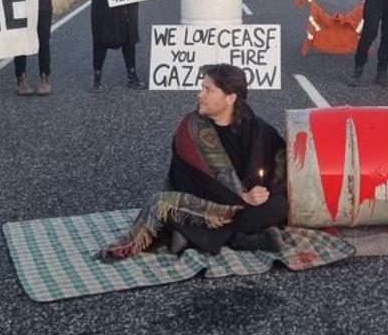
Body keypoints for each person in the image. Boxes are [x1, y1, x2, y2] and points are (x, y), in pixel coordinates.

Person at [98, 64, 288, 260]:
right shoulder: (190, 129)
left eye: (208, 90)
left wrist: (261, 192)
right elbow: (190, 184)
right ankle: (235, 236)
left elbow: (280, 160)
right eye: (201, 88)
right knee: (161, 205)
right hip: (202, 204)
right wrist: (242, 198)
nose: (200, 95)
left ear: (230, 98)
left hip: (243, 205)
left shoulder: (255, 127)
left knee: (279, 205)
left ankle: (211, 236)